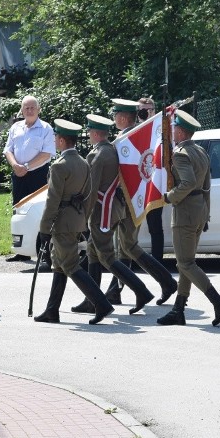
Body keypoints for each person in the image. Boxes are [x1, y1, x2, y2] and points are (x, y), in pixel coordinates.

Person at [71, 114, 155, 315]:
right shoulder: (114, 150)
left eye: (90, 132)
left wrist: (83, 217)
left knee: (107, 256)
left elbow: (91, 190)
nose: (89, 135)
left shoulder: (98, 155)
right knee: (93, 252)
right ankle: (91, 299)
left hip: (103, 212)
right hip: (114, 209)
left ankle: (141, 291)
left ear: (95, 133)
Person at [157, 110, 220, 326]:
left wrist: (170, 197)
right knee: (186, 263)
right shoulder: (200, 151)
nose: (172, 132)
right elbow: (206, 186)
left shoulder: (181, 153)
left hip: (186, 212)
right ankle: (178, 309)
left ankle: (218, 301)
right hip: (199, 209)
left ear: (180, 131)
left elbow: (188, 182)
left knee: (186, 263)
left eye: (174, 129)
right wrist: (206, 212)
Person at [33, 119, 113, 325]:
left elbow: (52, 202)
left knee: (70, 265)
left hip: (62, 223)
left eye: (55, 139)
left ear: (61, 140)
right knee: (60, 265)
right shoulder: (83, 162)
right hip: (76, 220)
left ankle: (101, 303)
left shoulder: (60, 166)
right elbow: (88, 196)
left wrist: (44, 229)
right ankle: (52, 310)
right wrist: (82, 220)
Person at [104, 98, 178, 305]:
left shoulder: (129, 138)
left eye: (116, 115)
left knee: (127, 246)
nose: (114, 118)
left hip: (129, 199)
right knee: (125, 247)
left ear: (122, 117)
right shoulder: (125, 137)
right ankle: (115, 290)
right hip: (125, 199)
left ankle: (165, 282)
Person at [3, 95, 56, 261]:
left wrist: (26, 167)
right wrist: (15, 166)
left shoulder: (46, 128)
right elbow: (8, 150)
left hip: (37, 175)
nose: (30, 110)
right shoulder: (16, 128)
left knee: (38, 212)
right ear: (22, 110)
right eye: (26, 108)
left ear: (39, 109)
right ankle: (22, 251)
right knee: (18, 210)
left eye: (33, 107)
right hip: (18, 174)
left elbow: (47, 154)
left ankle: (42, 250)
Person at [138, 97, 166, 261]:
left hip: (153, 185)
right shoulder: (132, 132)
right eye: (142, 109)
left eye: (149, 109)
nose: (145, 112)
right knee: (130, 229)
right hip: (136, 185)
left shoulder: (161, 131)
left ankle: (158, 263)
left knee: (155, 227)